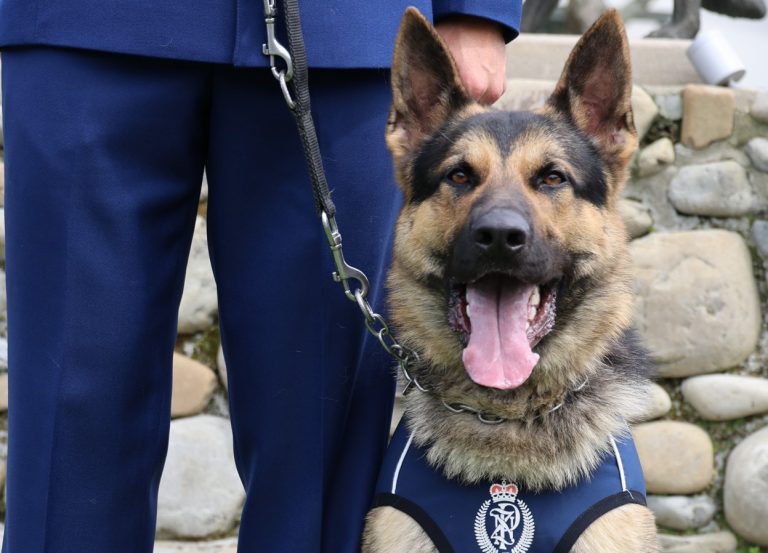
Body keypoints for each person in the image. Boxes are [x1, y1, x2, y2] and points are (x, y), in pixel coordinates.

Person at [0, 1, 521, 551]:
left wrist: (474, 8)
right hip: (83, 26)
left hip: (336, 29)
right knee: (71, 425)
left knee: (318, 453)